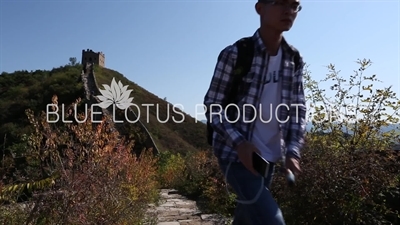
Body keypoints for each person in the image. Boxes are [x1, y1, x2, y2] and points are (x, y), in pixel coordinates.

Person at [203, 0, 306, 224]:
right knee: (272, 220)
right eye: (280, 2)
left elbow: (297, 110)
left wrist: (292, 151)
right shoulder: (235, 54)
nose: (288, 10)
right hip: (235, 154)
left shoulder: (294, 59)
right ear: (259, 8)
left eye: (294, 5)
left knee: (248, 216)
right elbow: (213, 105)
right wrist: (240, 143)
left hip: (269, 157)